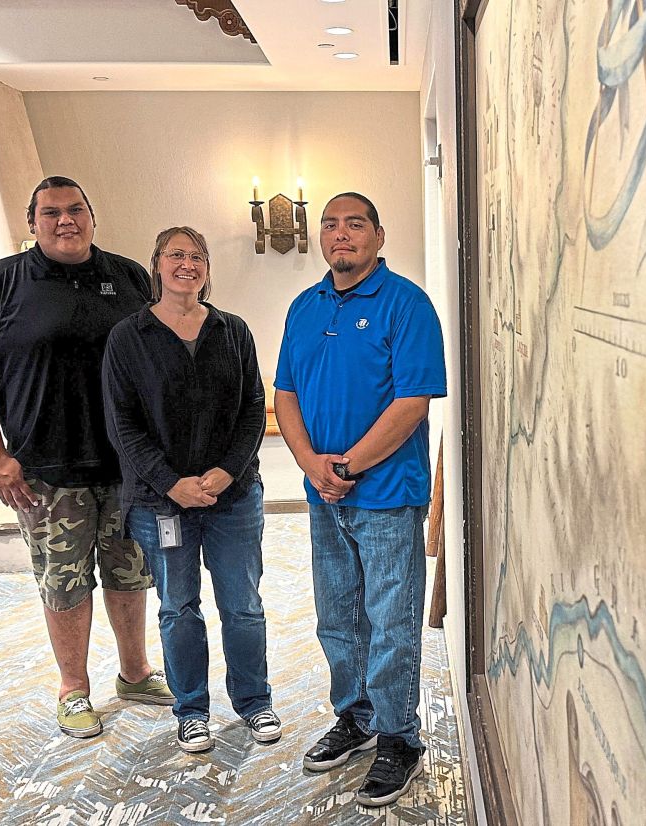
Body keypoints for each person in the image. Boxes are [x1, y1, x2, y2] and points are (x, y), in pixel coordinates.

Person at [0, 176, 173, 738]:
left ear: (92, 216)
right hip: (45, 472)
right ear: (33, 223)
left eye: (76, 210)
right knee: (64, 581)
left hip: (125, 466)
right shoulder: (2, 281)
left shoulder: (127, 277)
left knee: (130, 573)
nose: (65, 220)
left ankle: (136, 673)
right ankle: (74, 689)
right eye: (51, 213)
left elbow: (157, 358)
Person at [274, 192, 446, 807]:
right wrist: (311, 464)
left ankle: (399, 737)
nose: (340, 234)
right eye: (330, 225)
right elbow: (286, 395)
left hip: (388, 497)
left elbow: (412, 403)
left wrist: (346, 464)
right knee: (338, 618)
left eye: (354, 224)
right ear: (320, 239)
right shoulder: (304, 307)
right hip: (325, 498)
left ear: (378, 235)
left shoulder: (407, 304)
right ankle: (356, 717)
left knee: (391, 621)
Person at [102, 226, 279, 754]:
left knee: (243, 604)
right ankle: (192, 710)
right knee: (179, 607)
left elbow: (253, 407)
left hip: (234, 496)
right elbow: (123, 424)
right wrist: (169, 482)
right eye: (176, 254)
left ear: (206, 268)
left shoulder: (233, 331)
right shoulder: (127, 338)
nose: (188, 263)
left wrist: (227, 470)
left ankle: (254, 701)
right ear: (155, 265)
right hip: (162, 503)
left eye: (197, 255)